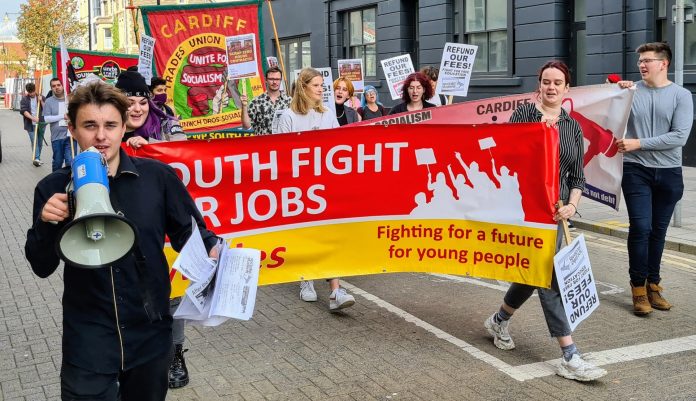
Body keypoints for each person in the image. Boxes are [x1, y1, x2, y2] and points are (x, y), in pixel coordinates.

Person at [24, 81, 220, 400]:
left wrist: (214, 252)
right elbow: (40, 265)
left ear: (123, 126)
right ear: (72, 129)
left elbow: (193, 235)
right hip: (88, 341)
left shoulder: (157, 178)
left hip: (151, 337)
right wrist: (46, 224)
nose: (101, 136)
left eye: (110, 125)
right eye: (90, 125)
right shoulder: (53, 188)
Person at [484, 60, 607, 382]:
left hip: (555, 215)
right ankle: (569, 355)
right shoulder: (523, 116)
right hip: (525, 210)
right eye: (546, 81)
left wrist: (571, 204)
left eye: (558, 83)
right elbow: (505, 159)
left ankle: (499, 319)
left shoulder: (572, 126)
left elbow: (578, 177)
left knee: (536, 272)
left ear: (567, 89)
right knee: (549, 278)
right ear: (539, 85)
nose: (551, 87)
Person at [115, 71, 192, 389]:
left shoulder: (167, 121)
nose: (136, 108)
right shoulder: (108, 132)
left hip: (165, 226)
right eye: (128, 102)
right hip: (124, 230)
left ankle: (176, 355)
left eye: (141, 100)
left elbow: (187, 156)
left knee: (172, 294)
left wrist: (154, 149)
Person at [615, 42, 693, 315]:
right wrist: (614, 91)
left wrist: (639, 143)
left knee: (658, 232)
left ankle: (654, 285)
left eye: (648, 60)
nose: (642, 65)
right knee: (641, 227)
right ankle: (638, 288)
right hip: (636, 170)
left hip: (669, 173)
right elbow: (608, 114)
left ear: (664, 63)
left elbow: (679, 137)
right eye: (640, 61)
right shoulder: (631, 91)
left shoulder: (681, 96)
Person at [273, 67, 355, 311]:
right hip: (299, 187)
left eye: (322, 85)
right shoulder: (288, 116)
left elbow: (338, 147)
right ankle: (305, 279)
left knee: (328, 235)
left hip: (324, 185)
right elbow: (280, 154)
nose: (322, 89)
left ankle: (336, 291)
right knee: (305, 234)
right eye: (317, 85)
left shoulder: (327, 114)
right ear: (304, 87)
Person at [114, 71, 185, 148]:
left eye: (143, 103)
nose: (138, 109)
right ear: (117, 105)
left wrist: (150, 145)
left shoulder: (167, 125)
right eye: (130, 103)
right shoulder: (105, 130)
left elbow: (185, 153)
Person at [241, 66, 291, 135]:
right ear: (266, 80)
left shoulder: (289, 101)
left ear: (280, 80)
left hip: (284, 144)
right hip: (263, 144)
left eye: (277, 79)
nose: (274, 82)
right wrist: (244, 106)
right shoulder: (256, 102)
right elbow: (246, 126)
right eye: (271, 79)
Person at [43, 78, 78, 172]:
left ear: (63, 86)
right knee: (57, 162)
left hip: (70, 135)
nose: (56, 88)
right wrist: (62, 116)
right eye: (54, 86)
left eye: (58, 85)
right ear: (51, 88)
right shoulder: (49, 101)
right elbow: (46, 118)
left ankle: (69, 183)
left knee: (70, 161)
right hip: (57, 137)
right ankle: (55, 182)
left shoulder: (71, 99)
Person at [20, 82, 45, 166]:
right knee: (34, 141)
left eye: (33, 91)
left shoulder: (41, 97)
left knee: (40, 142)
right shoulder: (24, 99)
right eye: (30, 92)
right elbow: (24, 111)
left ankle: (38, 157)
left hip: (41, 124)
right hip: (30, 124)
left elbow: (46, 110)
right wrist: (33, 118)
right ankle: (36, 158)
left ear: (35, 89)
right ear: (27, 91)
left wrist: (41, 101)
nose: (32, 94)